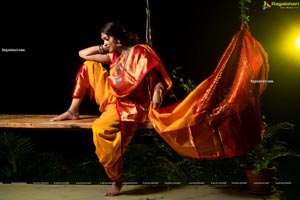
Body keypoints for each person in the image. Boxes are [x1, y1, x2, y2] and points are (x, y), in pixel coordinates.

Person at [51, 20, 172, 196]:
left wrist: (157, 90)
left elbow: (159, 79)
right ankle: (72, 111)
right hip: (113, 98)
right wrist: (105, 47)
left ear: (119, 38)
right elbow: (82, 54)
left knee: (100, 129)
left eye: (107, 39)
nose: (104, 43)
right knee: (89, 66)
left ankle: (117, 179)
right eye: (103, 40)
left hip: (131, 105)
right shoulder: (113, 56)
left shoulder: (140, 53)